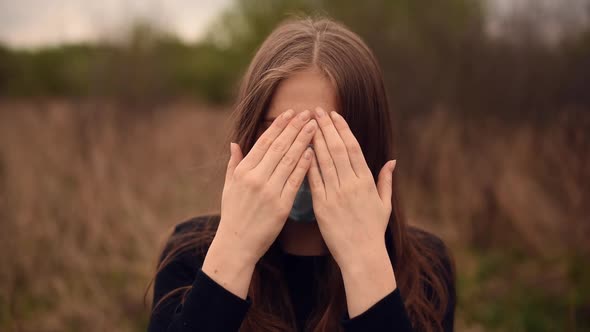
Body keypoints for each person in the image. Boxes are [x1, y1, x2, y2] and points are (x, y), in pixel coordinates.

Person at [147, 17, 456, 332]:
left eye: (327, 135)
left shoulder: (424, 267)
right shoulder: (190, 253)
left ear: (368, 142)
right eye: (280, 132)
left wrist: (365, 260)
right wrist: (234, 249)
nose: (303, 156)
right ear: (250, 135)